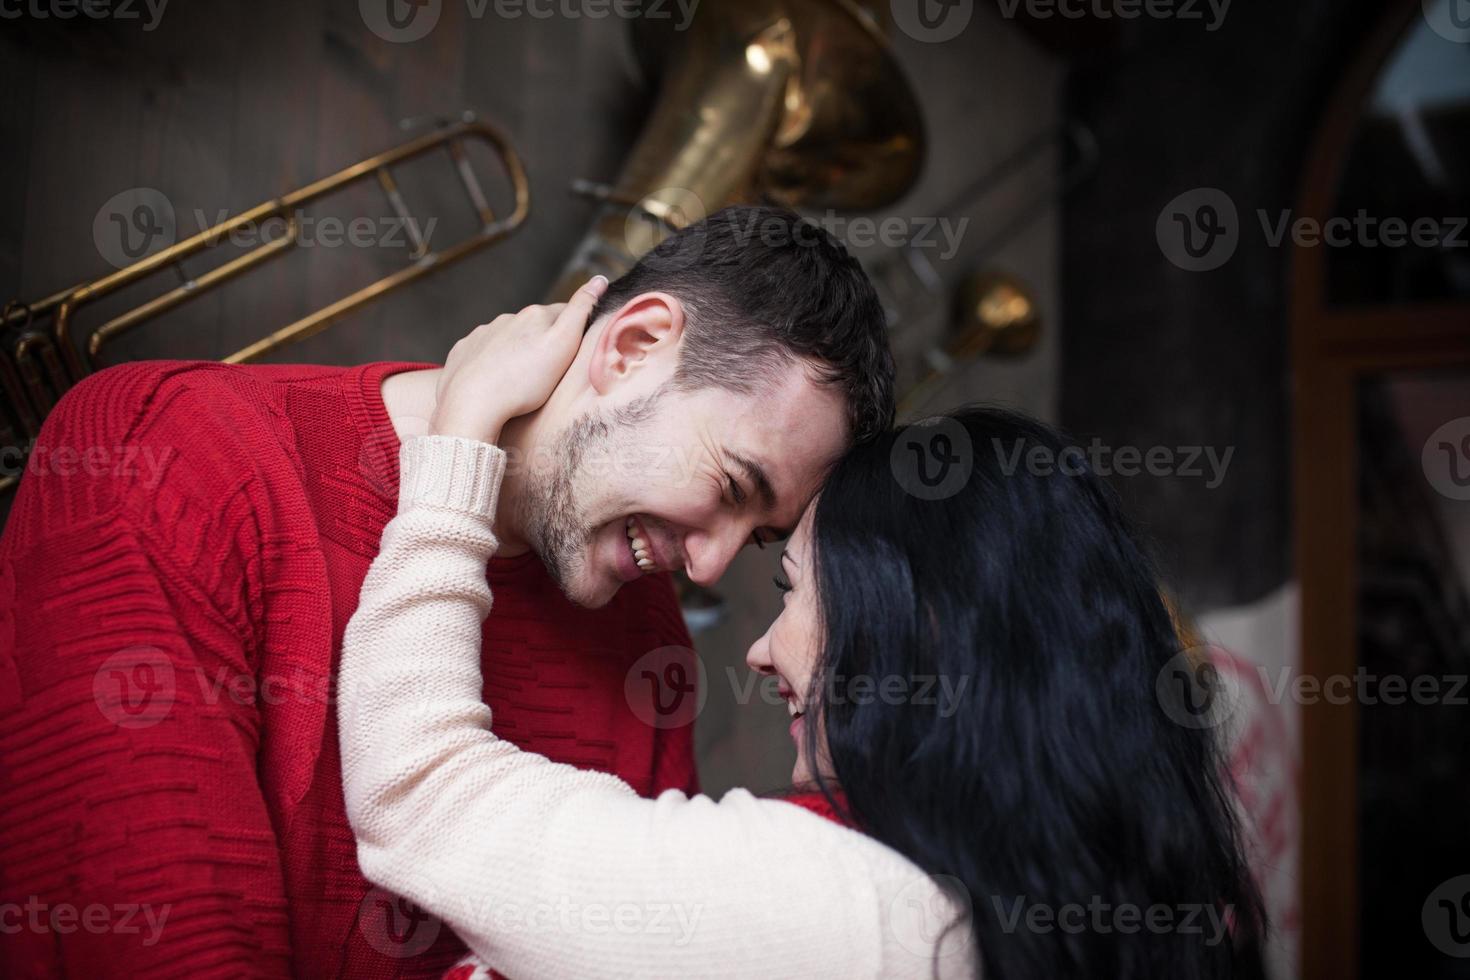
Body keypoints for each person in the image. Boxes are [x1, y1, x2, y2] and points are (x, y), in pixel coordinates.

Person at [0, 205, 894, 977]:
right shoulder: (169, 456)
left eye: (755, 539)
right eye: (732, 488)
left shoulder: (644, 629)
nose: (708, 568)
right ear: (635, 346)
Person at [337, 304, 1267, 979]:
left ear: (917, 629)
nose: (758, 648)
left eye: (794, 589)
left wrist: (460, 435)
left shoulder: (857, 915)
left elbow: (420, 791)